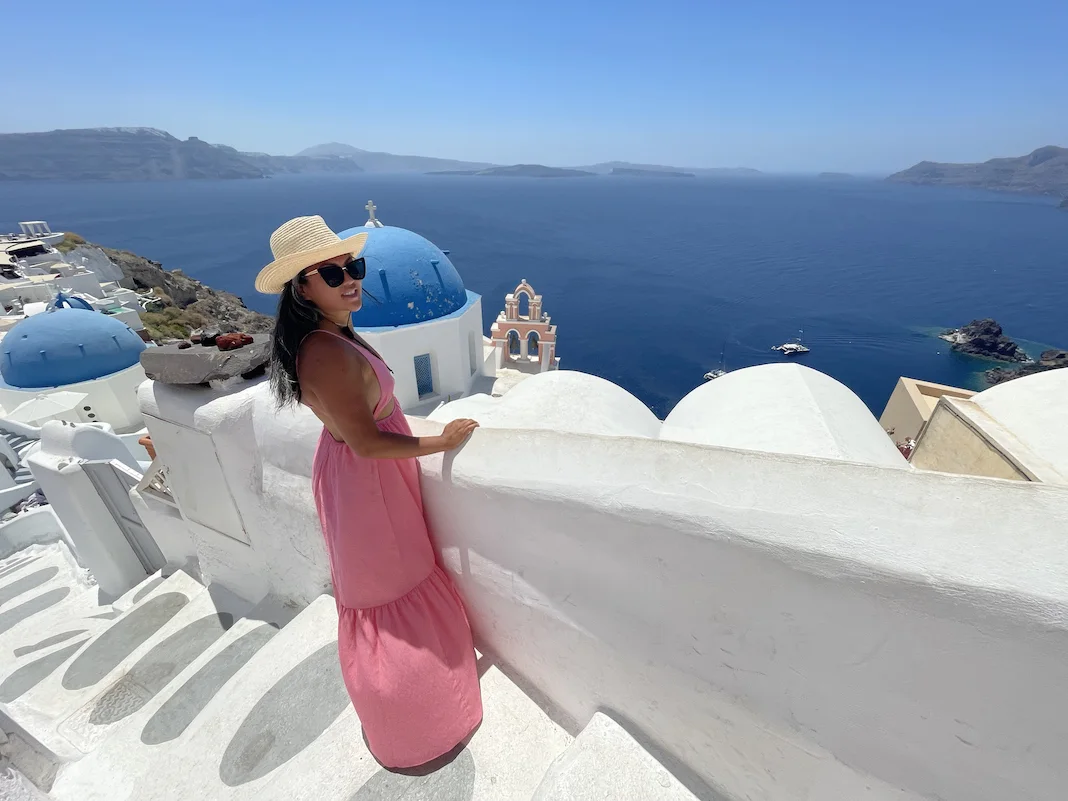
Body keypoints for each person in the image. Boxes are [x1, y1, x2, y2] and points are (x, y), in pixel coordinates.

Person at [257, 215, 483, 768]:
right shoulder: (326, 352)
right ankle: (417, 727)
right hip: (367, 485)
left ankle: (435, 702)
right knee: (390, 588)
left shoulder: (335, 335)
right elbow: (365, 442)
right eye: (333, 274)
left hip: (372, 482)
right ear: (302, 288)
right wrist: (442, 441)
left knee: (403, 577)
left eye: (353, 267)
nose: (352, 280)